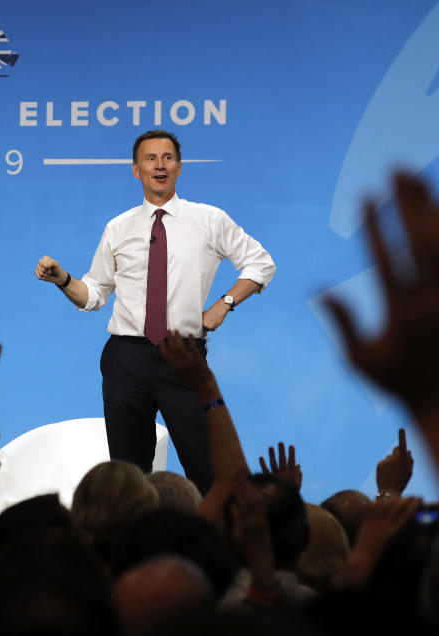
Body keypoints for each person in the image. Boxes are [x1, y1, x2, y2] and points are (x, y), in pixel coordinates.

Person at [35, 130, 275, 493]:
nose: (159, 165)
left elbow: (260, 264)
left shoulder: (209, 219)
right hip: (126, 357)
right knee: (129, 476)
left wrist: (224, 304)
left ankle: (214, 543)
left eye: (167, 157)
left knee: (207, 466)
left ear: (179, 167)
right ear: (135, 170)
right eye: (150, 158)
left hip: (182, 353)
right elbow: (95, 293)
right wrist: (63, 279)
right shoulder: (118, 227)